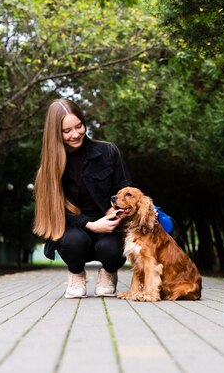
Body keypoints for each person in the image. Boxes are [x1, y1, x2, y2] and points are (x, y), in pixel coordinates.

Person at [32, 98, 131, 298]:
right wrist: (90, 224)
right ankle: (76, 273)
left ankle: (109, 273)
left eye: (79, 126)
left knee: (111, 249)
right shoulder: (48, 171)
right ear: (55, 133)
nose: (75, 134)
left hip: (110, 227)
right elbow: (53, 213)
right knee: (72, 242)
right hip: (75, 230)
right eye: (66, 131)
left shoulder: (108, 151)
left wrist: (115, 216)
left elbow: (124, 189)